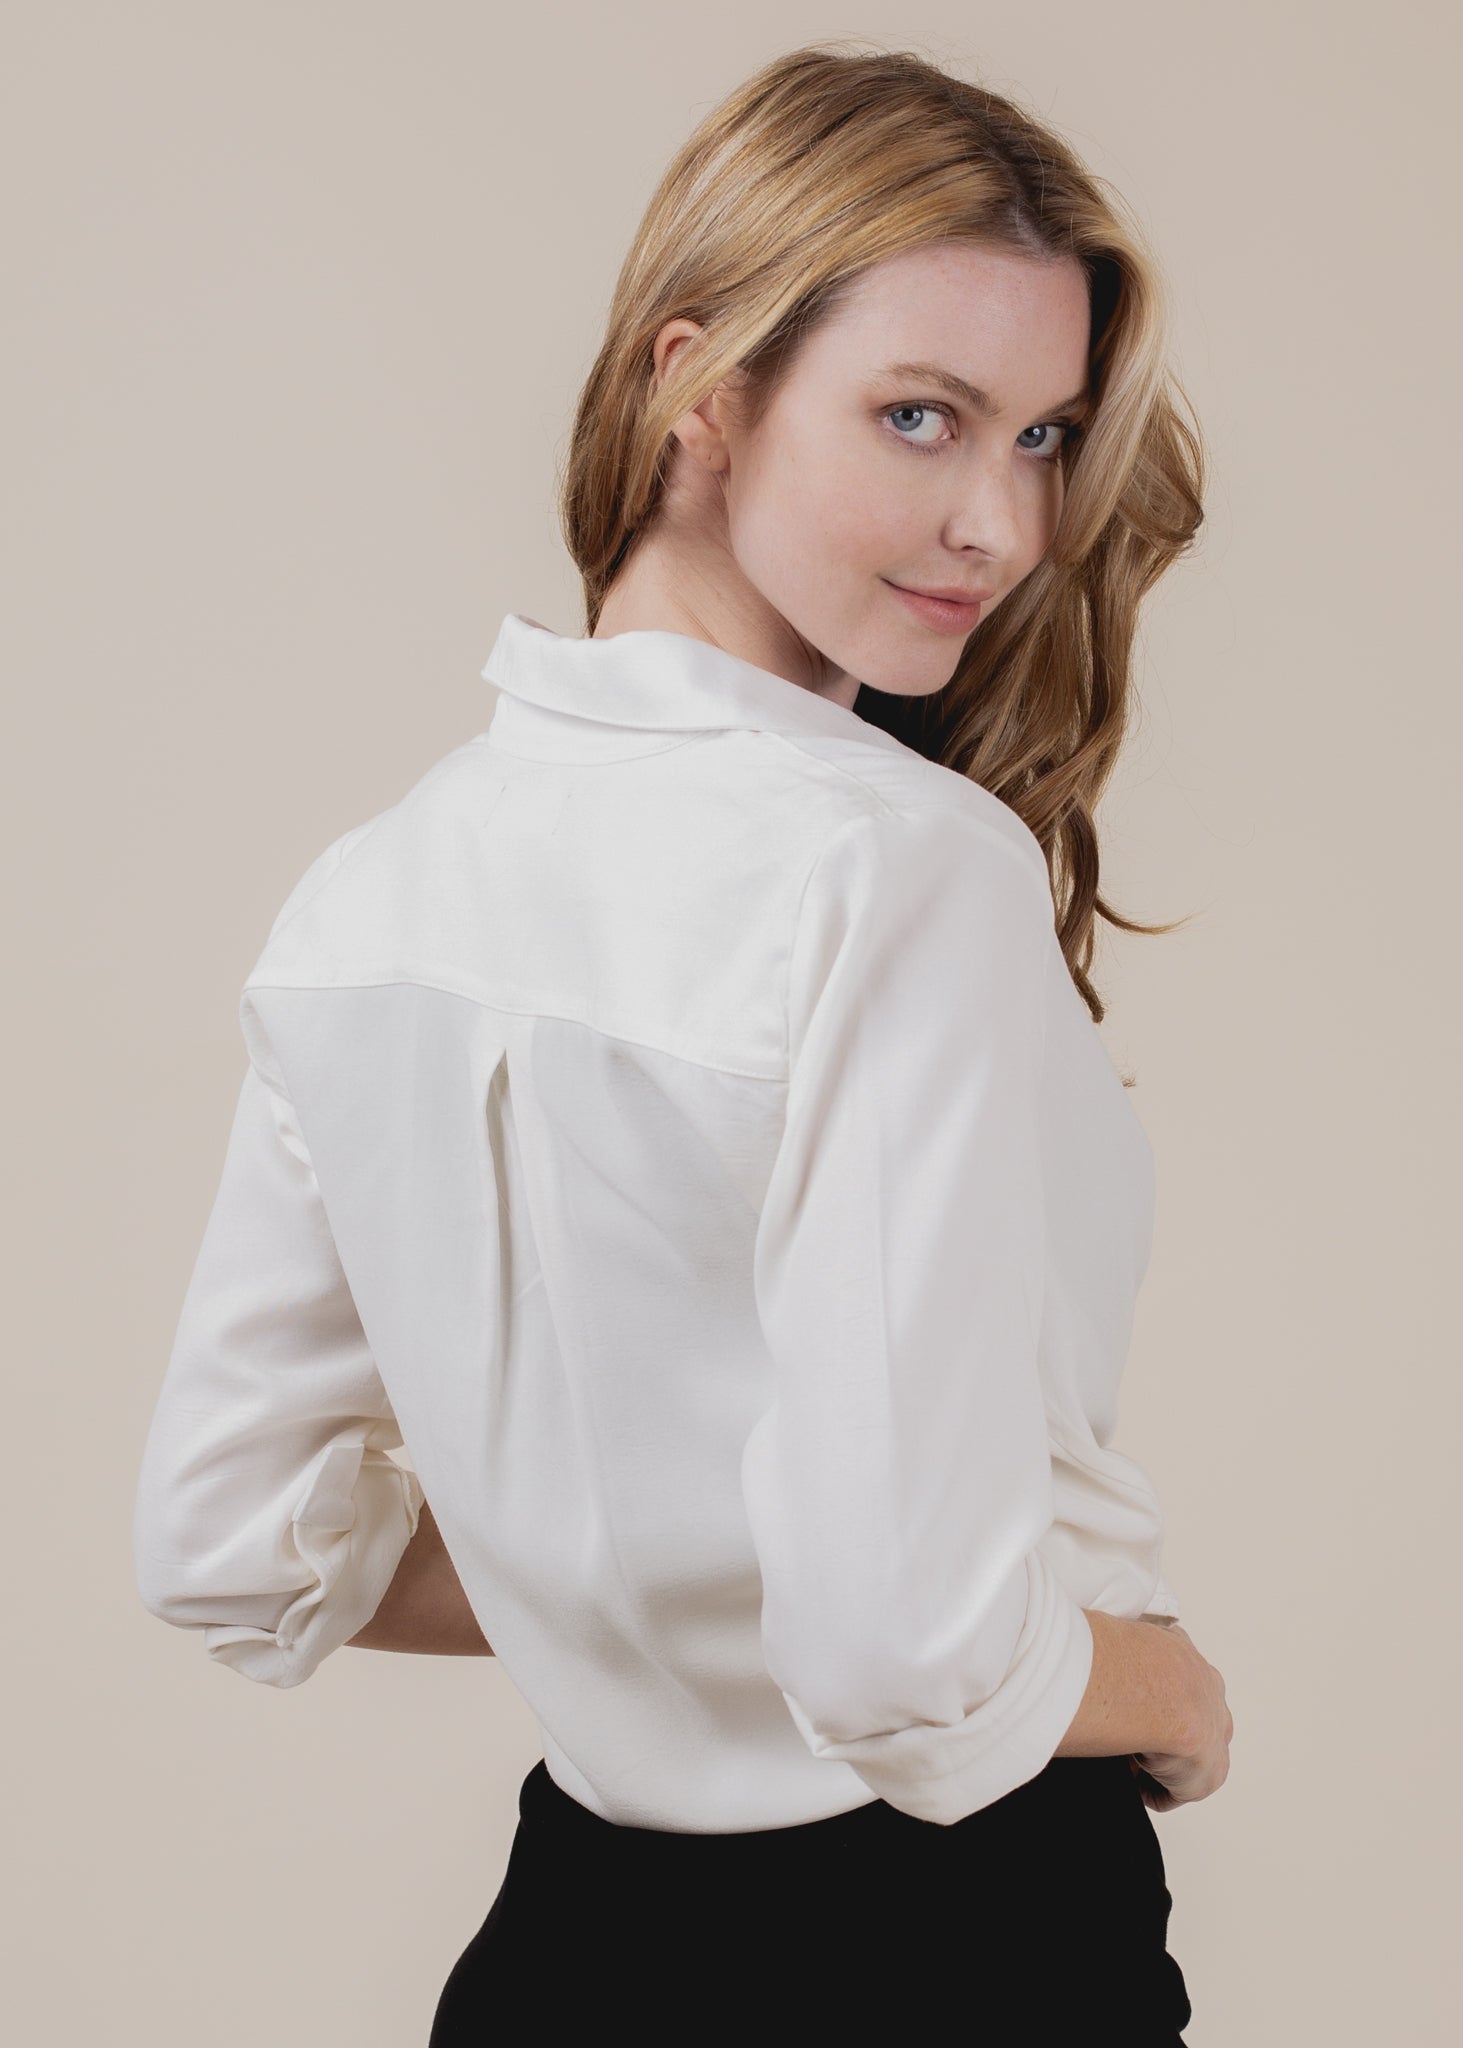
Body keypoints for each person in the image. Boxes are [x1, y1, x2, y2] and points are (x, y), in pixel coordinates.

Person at [131, 39, 1232, 2044]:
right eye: (922, 415)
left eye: (1049, 438)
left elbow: (228, 1547)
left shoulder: (366, 899)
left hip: (575, 1942)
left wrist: (615, 1587)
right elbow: (908, 1653)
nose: (1000, 522)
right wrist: (1169, 1683)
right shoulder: (901, 867)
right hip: (966, 1942)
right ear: (694, 385)